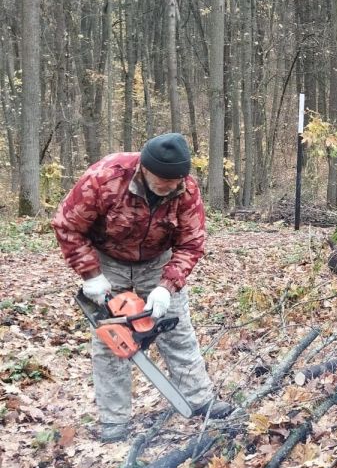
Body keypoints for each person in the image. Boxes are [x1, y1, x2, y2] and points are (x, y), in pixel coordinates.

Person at [52, 133, 232, 443]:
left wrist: (167, 286)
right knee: (112, 341)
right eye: (162, 181)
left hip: (157, 261)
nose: (168, 188)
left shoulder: (185, 189)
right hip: (108, 260)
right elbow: (67, 225)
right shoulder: (106, 177)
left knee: (177, 330)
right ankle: (114, 422)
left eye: (174, 182)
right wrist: (91, 274)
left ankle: (200, 399)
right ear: (144, 169)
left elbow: (192, 242)